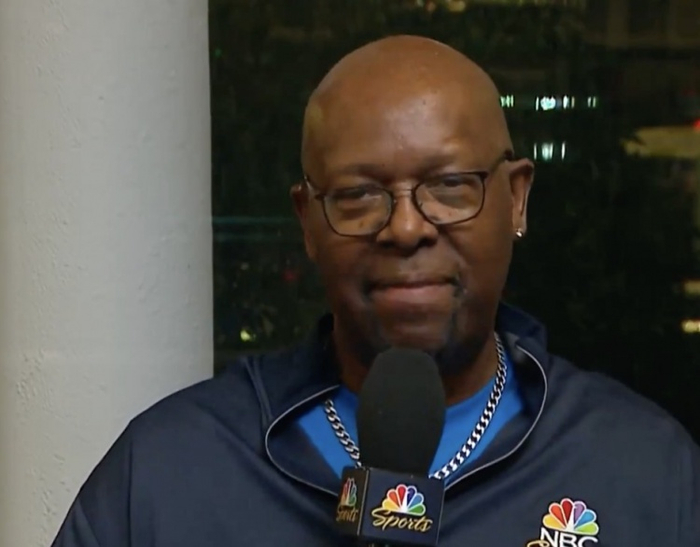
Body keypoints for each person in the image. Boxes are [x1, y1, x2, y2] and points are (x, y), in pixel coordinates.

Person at [52, 35, 699, 547]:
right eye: (359, 195)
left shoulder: (644, 470)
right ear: (308, 221)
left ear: (516, 200)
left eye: (450, 186)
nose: (407, 228)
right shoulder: (168, 473)